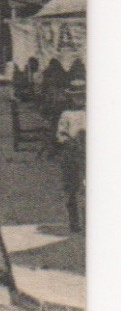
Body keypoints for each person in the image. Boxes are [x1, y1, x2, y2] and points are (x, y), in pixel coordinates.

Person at [54, 95, 85, 235]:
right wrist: (68, 141)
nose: (79, 99)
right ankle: (75, 222)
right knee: (72, 189)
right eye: (76, 96)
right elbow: (61, 134)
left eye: (82, 95)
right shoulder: (66, 114)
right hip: (72, 154)